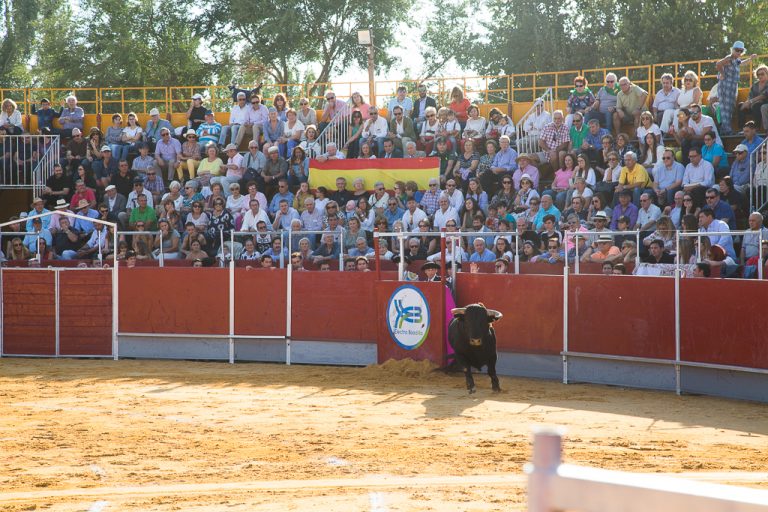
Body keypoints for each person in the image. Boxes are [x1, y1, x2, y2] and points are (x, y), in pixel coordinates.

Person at [715, 41, 758, 135]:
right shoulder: (729, 58)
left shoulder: (736, 60)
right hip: (725, 85)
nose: (739, 52)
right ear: (733, 50)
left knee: (730, 108)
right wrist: (722, 74)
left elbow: (742, 63)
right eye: (737, 50)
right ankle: (726, 130)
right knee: (725, 108)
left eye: (741, 51)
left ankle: (726, 129)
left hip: (732, 87)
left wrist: (750, 58)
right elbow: (718, 64)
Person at [739, 64, 768, 129]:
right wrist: (747, 103)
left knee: (757, 105)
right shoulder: (755, 85)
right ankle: (742, 128)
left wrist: (751, 101)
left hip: (765, 104)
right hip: (754, 104)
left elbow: (764, 95)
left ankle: (756, 128)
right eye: (758, 74)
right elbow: (750, 96)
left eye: (762, 74)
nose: (760, 76)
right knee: (741, 105)